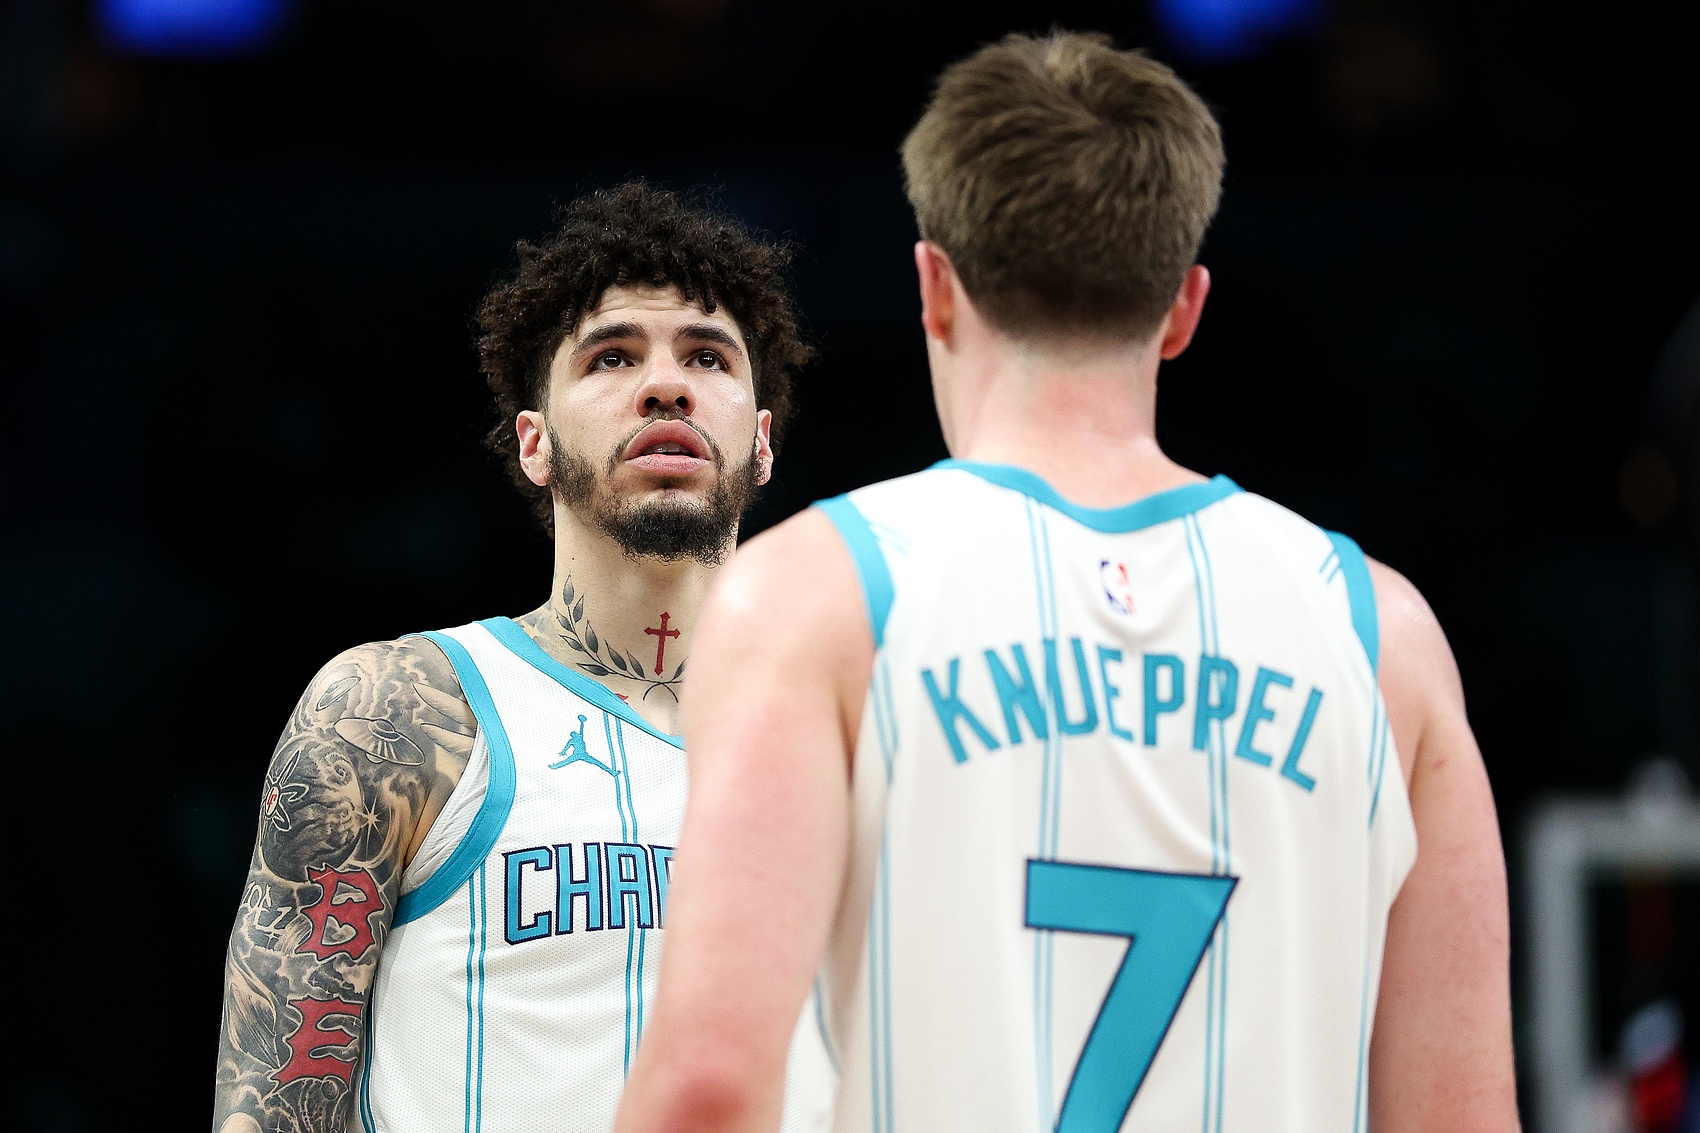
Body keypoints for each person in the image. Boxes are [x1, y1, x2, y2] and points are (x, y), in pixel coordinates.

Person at [618, 32, 1520, 1133]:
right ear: (1182, 307)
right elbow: (1463, 1115)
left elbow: (708, 1091)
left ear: (933, 287)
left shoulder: (814, 596)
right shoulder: (1381, 632)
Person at [212, 182, 813, 1133]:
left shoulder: (859, 738)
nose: (667, 385)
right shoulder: (393, 715)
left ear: (763, 441)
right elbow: (271, 1110)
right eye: (612, 356)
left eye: (707, 356)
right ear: (535, 443)